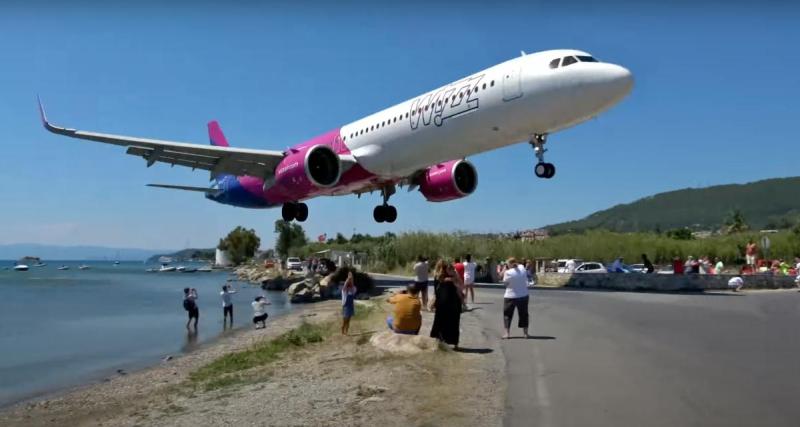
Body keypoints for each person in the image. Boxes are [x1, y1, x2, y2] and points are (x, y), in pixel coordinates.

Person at [430, 264, 463, 347]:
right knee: (448, 323)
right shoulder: (442, 278)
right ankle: (444, 341)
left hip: (450, 304)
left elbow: (460, 287)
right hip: (448, 304)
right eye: (449, 269)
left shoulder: (450, 277)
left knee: (449, 323)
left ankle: (449, 342)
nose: (451, 271)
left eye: (451, 269)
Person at [500, 257, 530, 339]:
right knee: (524, 314)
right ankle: (525, 333)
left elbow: (505, 283)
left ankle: (507, 333)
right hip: (523, 295)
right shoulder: (522, 268)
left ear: (509, 264)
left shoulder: (508, 272)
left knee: (507, 315)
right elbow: (521, 266)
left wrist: (504, 269)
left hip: (510, 296)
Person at [341, 270, 356, 335]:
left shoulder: (353, 289)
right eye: (349, 281)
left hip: (350, 306)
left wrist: (351, 278)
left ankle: (346, 331)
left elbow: (353, 286)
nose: (350, 282)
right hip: (346, 306)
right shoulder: (344, 291)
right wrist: (348, 278)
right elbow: (344, 286)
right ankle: (342, 329)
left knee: (349, 320)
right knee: (345, 319)